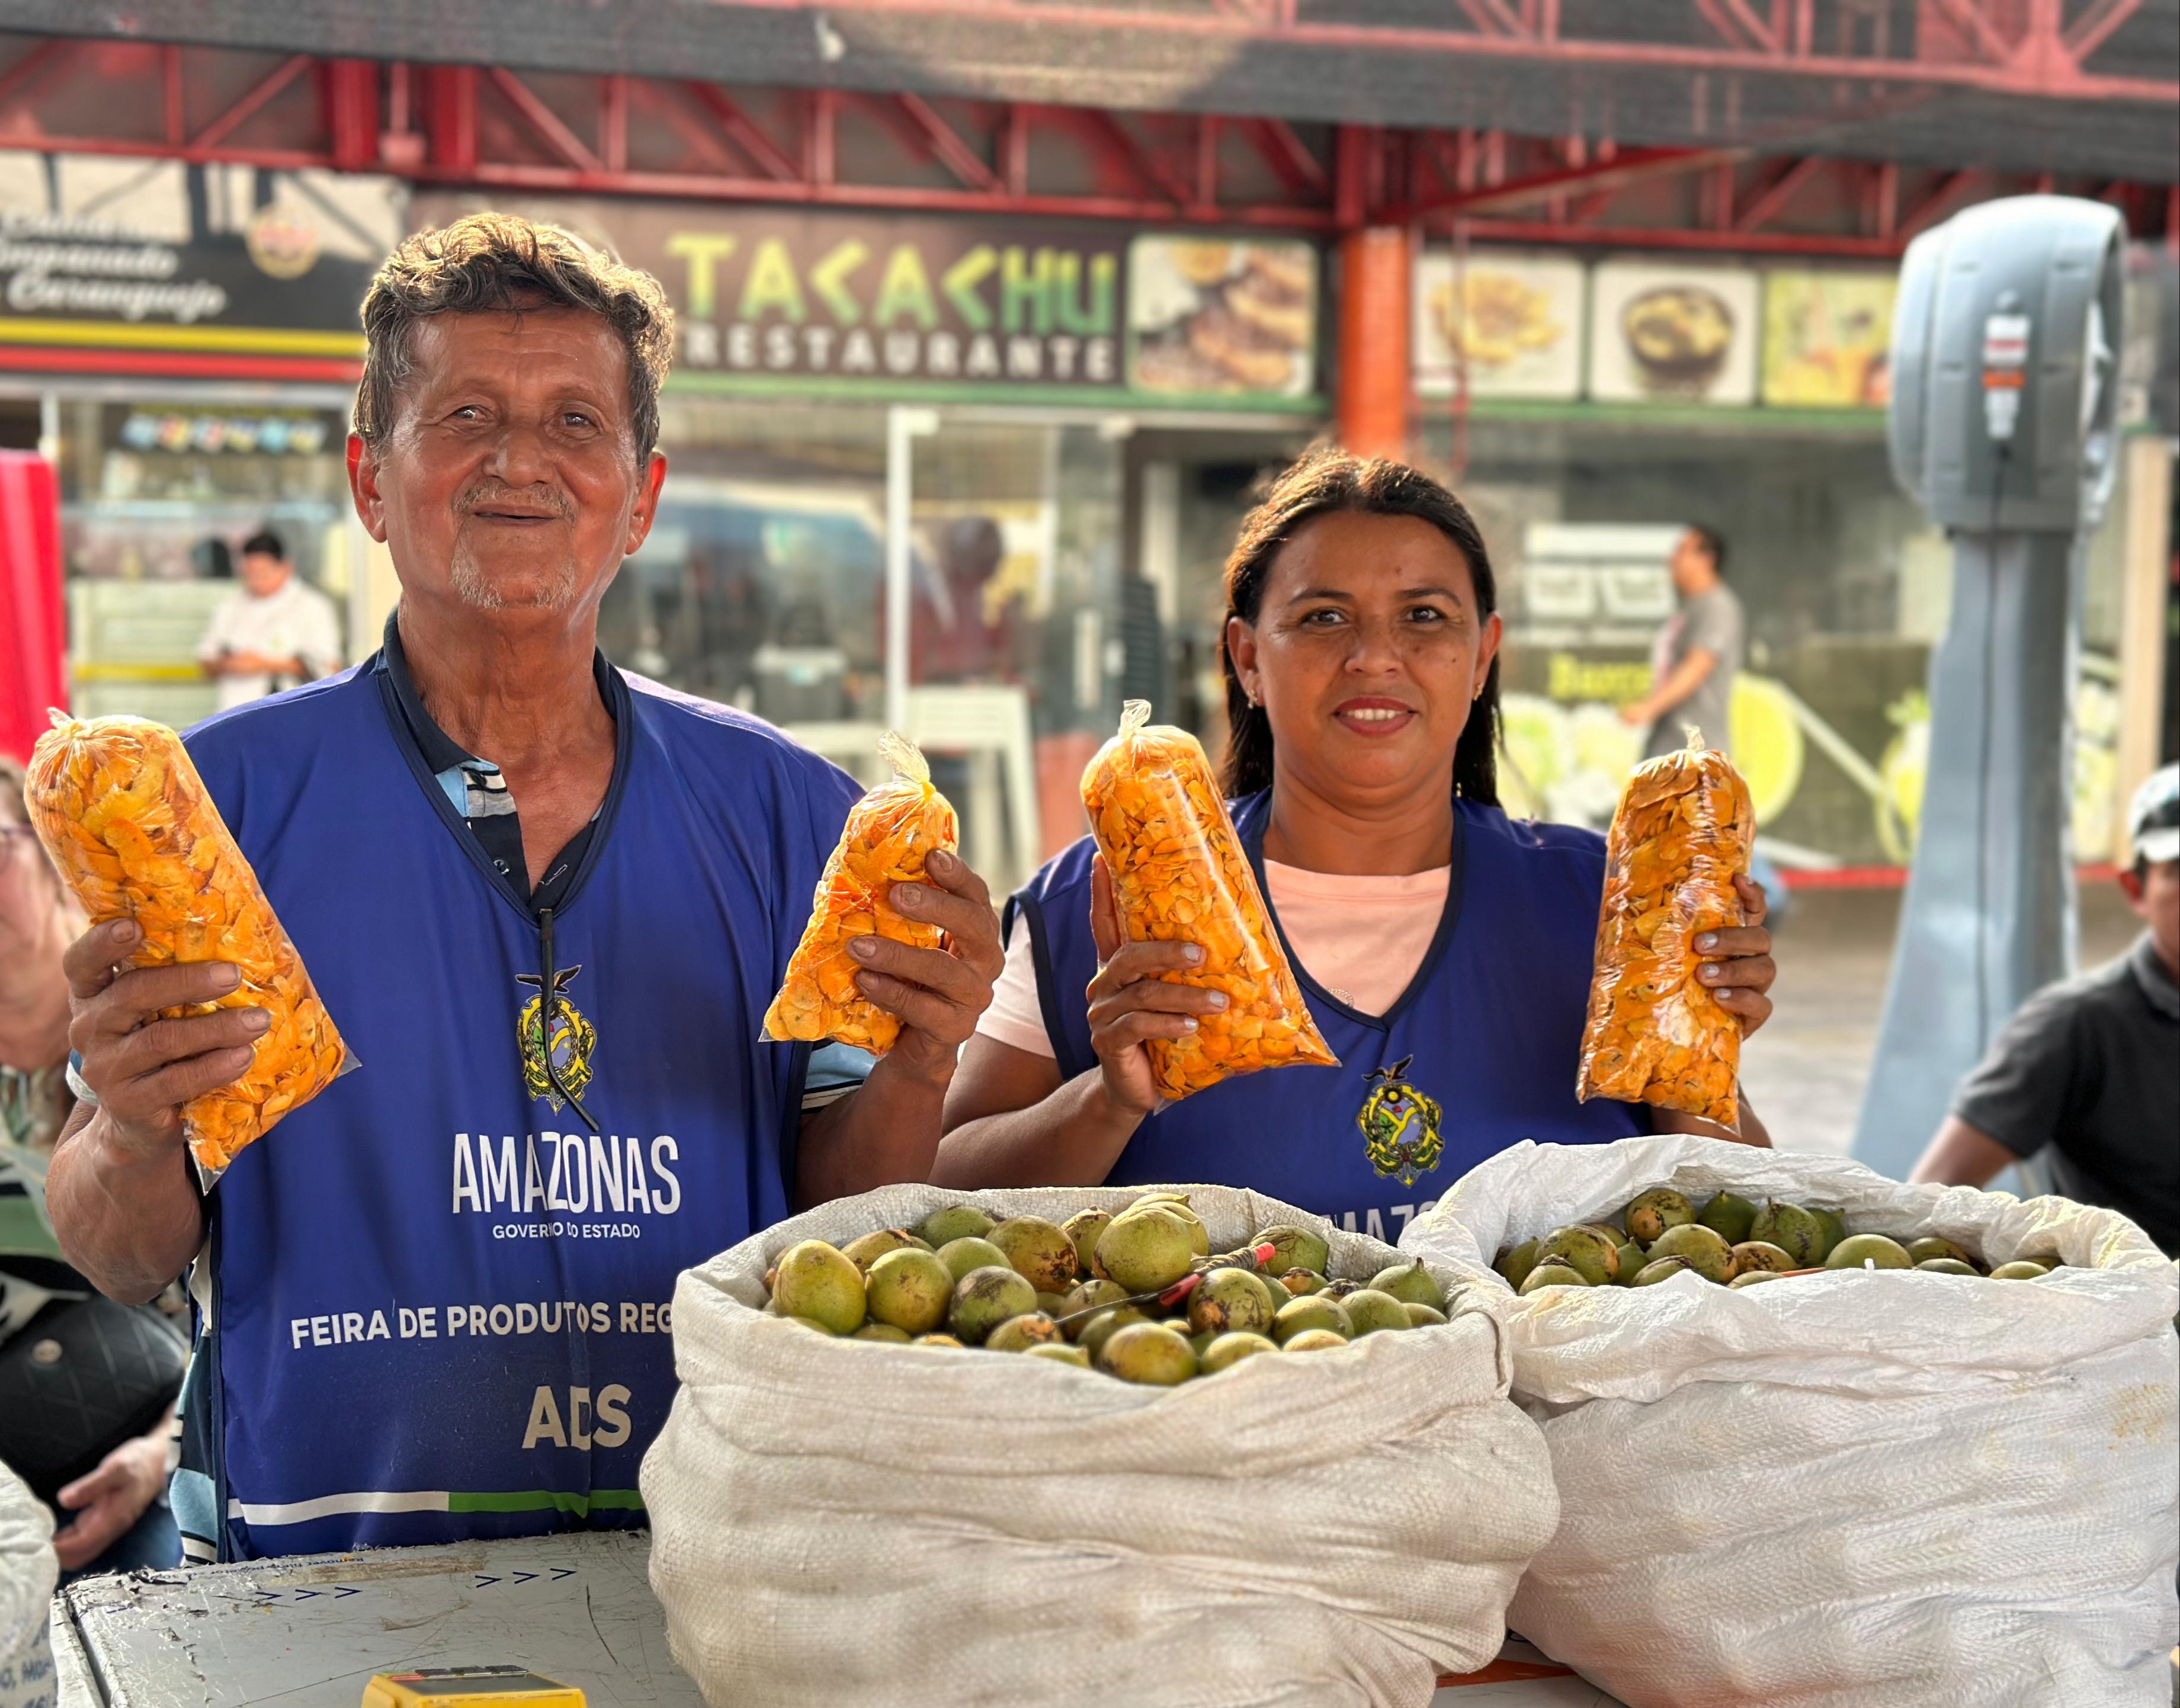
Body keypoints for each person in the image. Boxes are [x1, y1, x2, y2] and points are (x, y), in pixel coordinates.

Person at [45, 213, 1002, 1563]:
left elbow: (834, 1223)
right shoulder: (209, 814)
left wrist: (919, 1064)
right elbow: (115, 1247)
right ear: (370, 481)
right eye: (465, 414)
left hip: (708, 1564)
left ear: (642, 492)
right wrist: (135, 1128)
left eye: (572, 422)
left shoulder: (795, 819)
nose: (517, 462)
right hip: (324, 1569)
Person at [935, 450, 1777, 1242]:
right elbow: (935, 1193)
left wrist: (1696, 1042)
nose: (1375, 656)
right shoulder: (1100, 902)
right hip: (1217, 1386)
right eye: (1323, 617)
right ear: (1247, 658)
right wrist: (1108, 1101)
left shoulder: (1608, 904)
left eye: (1424, 617)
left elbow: (1735, 1221)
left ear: (1482, 656)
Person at [1, 758, 181, 1582]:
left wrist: (159, 1456)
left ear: (48, 865)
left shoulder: (144, 1034)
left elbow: (237, 1299)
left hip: (145, 1457)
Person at [1910, 763, 2179, 1256]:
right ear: (2136, 889)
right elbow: (1933, 1197)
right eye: (2177, 870)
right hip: (2135, 1321)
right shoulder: (2077, 1025)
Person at [1621, 525, 1743, 760]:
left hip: (1697, 759)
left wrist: (1648, 708)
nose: (1672, 559)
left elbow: (1697, 666)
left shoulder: (1717, 607)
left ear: (1706, 559)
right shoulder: (1689, 607)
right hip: (1667, 749)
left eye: (1681, 551)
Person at [195, 530, 344, 712]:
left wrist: (263, 664)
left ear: (285, 567)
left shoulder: (312, 606)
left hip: (291, 712)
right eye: (250, 573)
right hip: (234, 712)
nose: (256, 581)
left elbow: (330, 668)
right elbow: (206, 660)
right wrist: (229, 665)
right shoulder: (230, 607)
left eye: (263, 573)